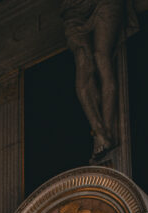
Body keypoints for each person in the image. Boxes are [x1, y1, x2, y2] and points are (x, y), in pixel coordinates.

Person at [60, 0, 138, 156]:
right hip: (73, 10)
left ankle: (108, 130)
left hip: (105, 3)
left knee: (101, 57)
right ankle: (99, 132)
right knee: (84, 64)